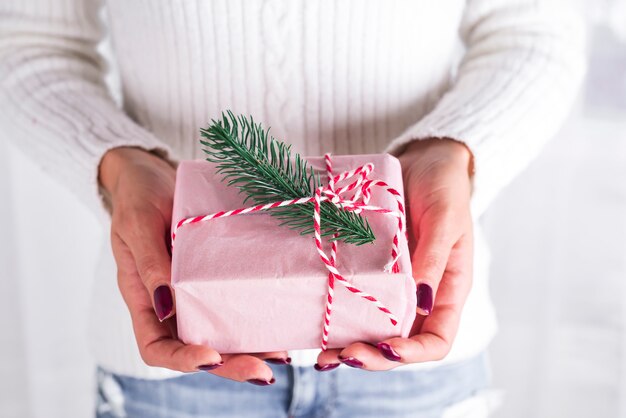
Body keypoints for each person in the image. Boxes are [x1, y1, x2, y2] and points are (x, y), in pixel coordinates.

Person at [0, 0, 585, 417]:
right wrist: (120, 163)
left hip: (410, 354)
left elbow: (534, 31)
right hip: (178, 358)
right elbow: (29, 43)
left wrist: (453, 148)